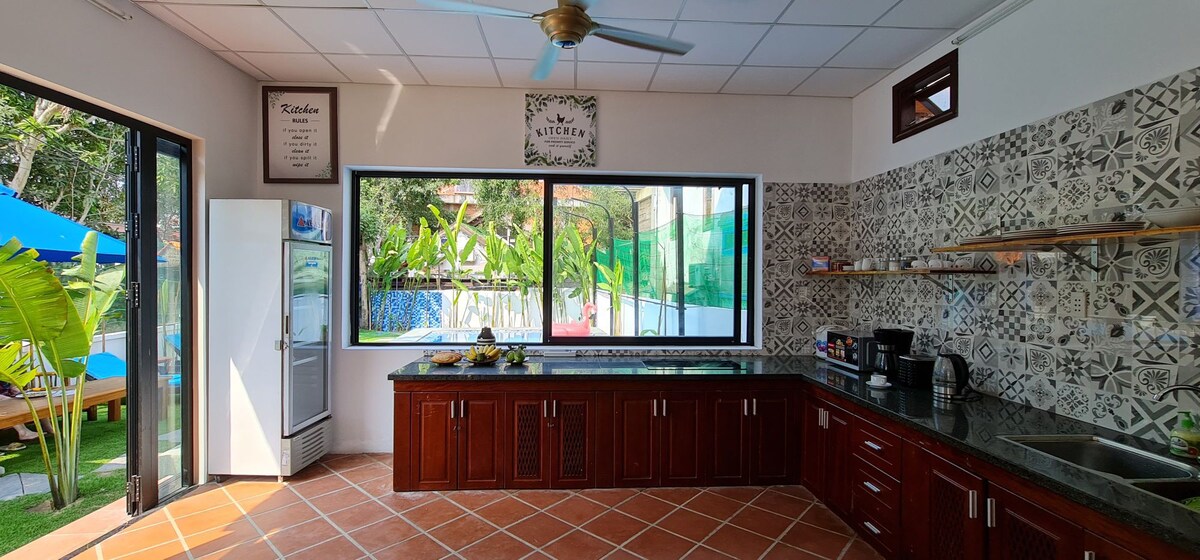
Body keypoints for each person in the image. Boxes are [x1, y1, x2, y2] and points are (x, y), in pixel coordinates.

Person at [0, 381, 50, 450]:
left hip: (8, 394)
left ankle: (48, 427)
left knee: (32, 396)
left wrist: (15, 389)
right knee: (7, 401)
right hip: (4, 399)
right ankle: (23, 432)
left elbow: (11, 384)